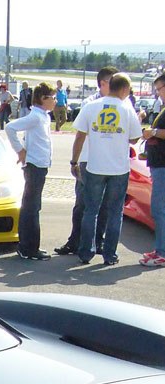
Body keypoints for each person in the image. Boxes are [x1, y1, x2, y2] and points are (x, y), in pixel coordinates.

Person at [71, 73, 143, 266]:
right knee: (115, 212)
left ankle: (86, 252)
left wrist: (74, 161)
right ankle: (109, 254)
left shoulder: (91, 106)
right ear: (124, 89)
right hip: (118, 168)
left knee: (91, 210)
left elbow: (79, 136)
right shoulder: (127, 109)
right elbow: (135, 138)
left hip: (95, 165)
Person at [54, 66, 118, 257]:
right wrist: (74, 162)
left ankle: (97, 241)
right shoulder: (90, 103)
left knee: (105, 206)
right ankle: (75, 241)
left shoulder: (122, 104)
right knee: (82, 205)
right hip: (88, 162)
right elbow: (81, 134)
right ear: (103, 83)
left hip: (111, 164)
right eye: (113, 82)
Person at [4, 82, 56, 260]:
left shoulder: (43, 116)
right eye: (52, 98)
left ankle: (29, 246)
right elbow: (10, 128)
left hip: (40, 165)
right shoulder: (36, 117)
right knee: (31, 208)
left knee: (33, 206)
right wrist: (20, 150)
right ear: (42, 98)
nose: (55, 101)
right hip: (34, 166)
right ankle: (28, 248)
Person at [139, 73, 165, 267]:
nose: (158, 93)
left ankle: (162, 252)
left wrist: (153, 132)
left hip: (163, 166)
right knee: (158, 209)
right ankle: (159, 249)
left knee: (159, 209)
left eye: (159, 89)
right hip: (158, 164)